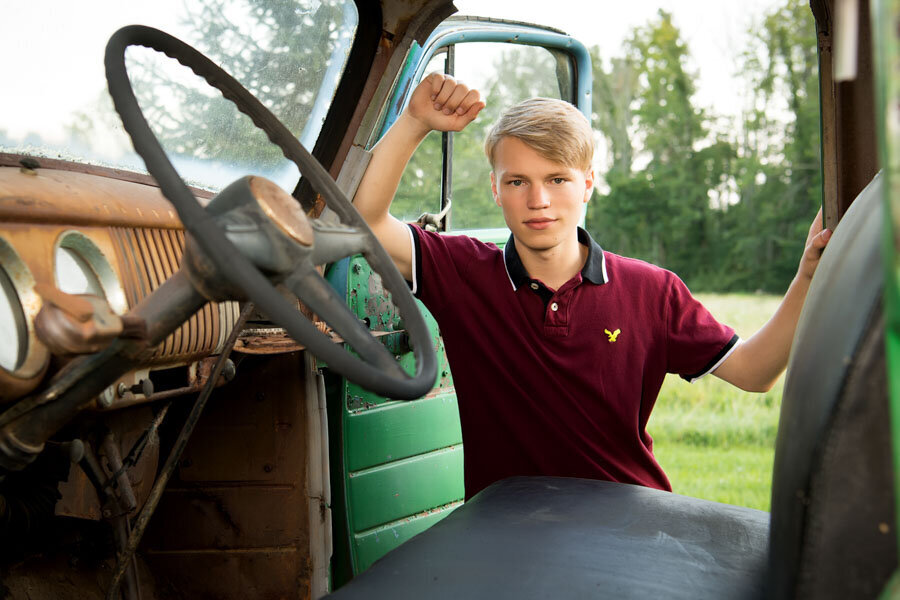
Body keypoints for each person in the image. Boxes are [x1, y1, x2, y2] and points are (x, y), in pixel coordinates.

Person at [353, 73, 832, 499]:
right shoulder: (461, 271)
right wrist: (415, 120)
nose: (538, 200)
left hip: (627, 521)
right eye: (518, 181)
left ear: (587, 184)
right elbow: (366, 219)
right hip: (503, 529)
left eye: (557, 178)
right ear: (495, 189)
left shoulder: (652, 291)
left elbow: (755, 372)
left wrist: (807, 275)